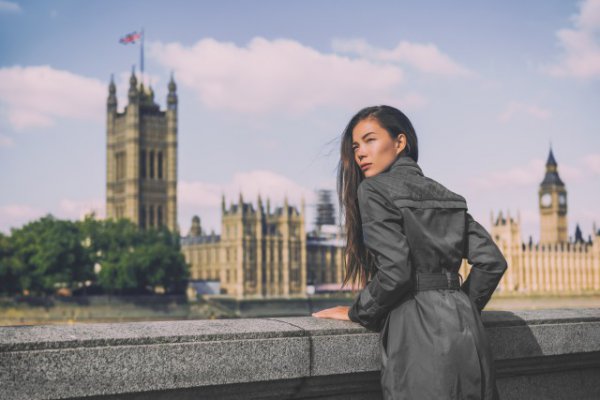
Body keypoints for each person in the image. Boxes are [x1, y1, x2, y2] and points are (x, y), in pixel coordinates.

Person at [312, 105, 508, 400]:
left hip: (416, 332)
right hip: (468, 333)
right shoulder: (447, 195)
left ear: (400, 142)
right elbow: (492, 262)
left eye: (370, 140)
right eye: (355, 146)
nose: (360, 153)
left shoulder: (373, 190)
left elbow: (396, 271)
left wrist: (359, 311)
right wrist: (462, 307)